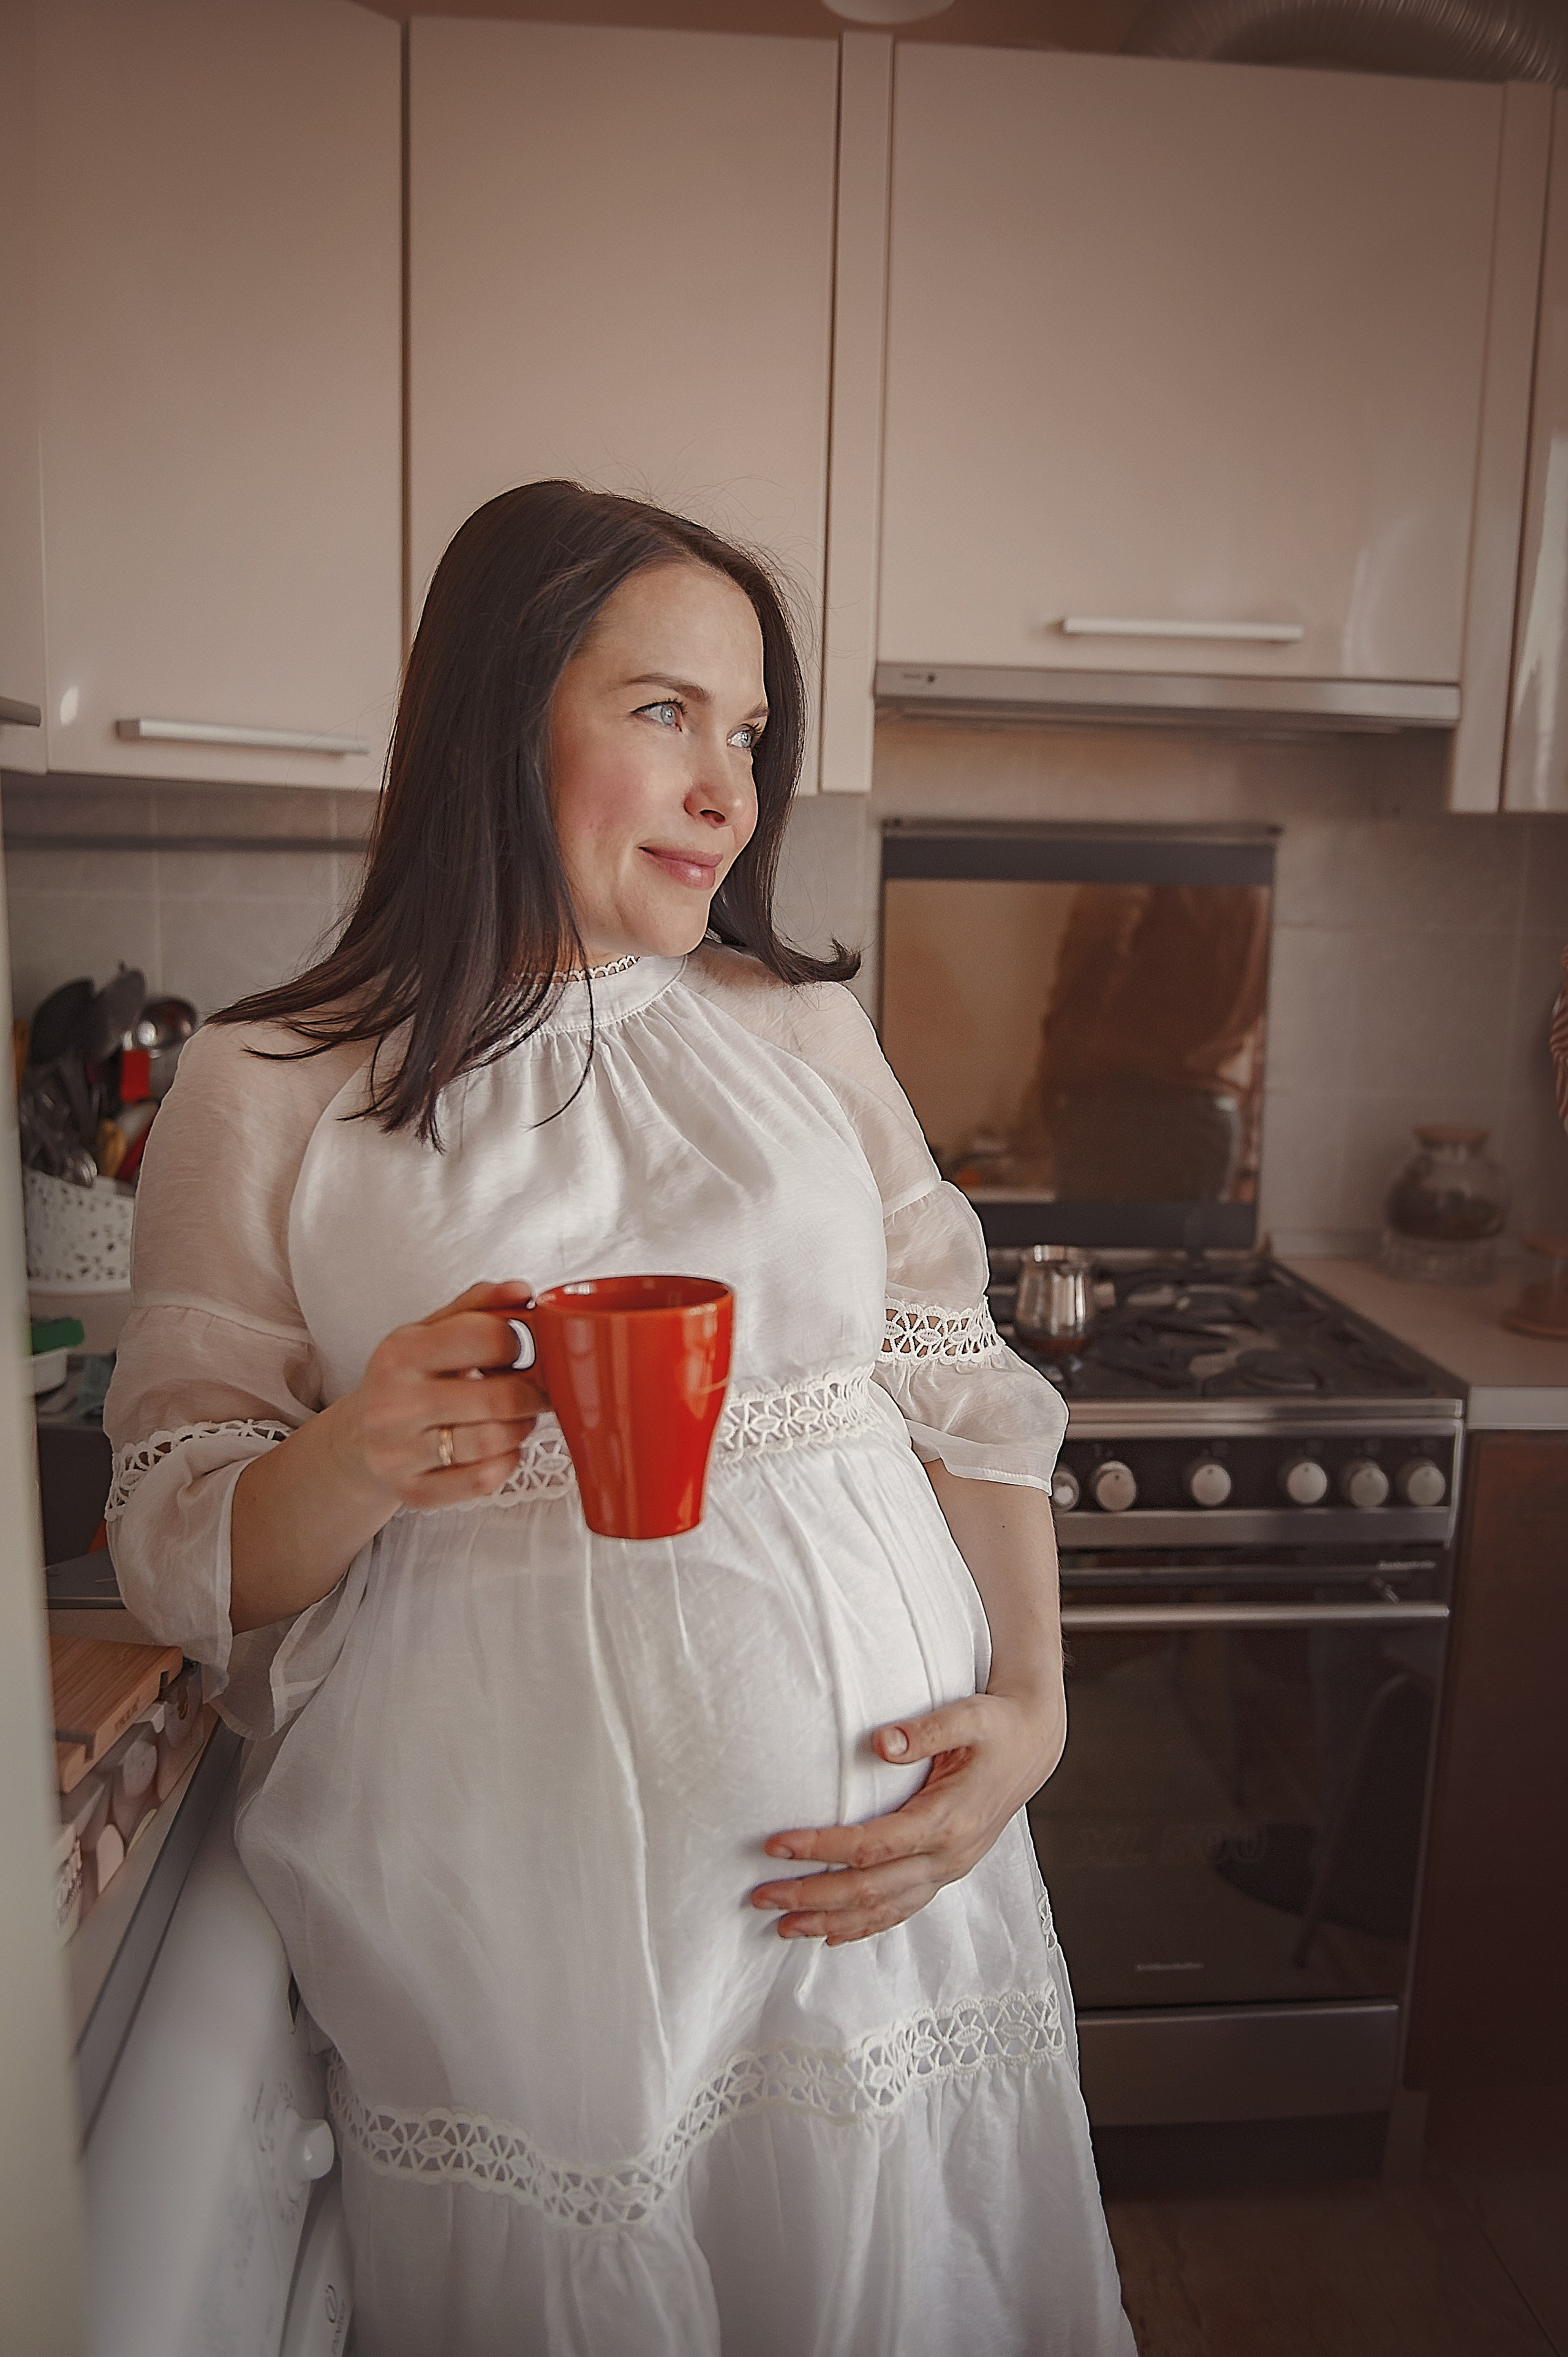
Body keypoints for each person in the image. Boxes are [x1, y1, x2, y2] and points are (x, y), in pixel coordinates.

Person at [104, 482, 1134, 2357]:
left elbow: (957, 1382)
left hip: (886, 1909)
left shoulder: (801, 1031)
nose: (732, 790)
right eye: (666, 713)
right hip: (513, 1938)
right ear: (500, 716)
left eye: (747, 733)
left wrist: (1038, 1715)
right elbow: (178, 1541)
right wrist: (352, 1458)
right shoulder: (267, 1084)